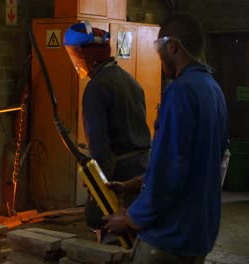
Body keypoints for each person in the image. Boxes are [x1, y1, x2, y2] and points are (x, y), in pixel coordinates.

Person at [102, 13, 229, 263]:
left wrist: (130, 218)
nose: (159, 59)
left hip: (169, 237)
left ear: (173, 46)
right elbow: (197, 161)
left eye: (160, 50)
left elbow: (170, 170)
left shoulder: (181, 91)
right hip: (198, 234)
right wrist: (134, 184)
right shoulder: (213, 90)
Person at [63, 22, 151, 231]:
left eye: (76, 54)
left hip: (119, 174)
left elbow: (101, 148)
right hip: (141, 169)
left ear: (89, 56)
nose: (75, 60)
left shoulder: (96, 89)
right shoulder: (129, 80)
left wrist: (98, 186)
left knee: (97, 219)